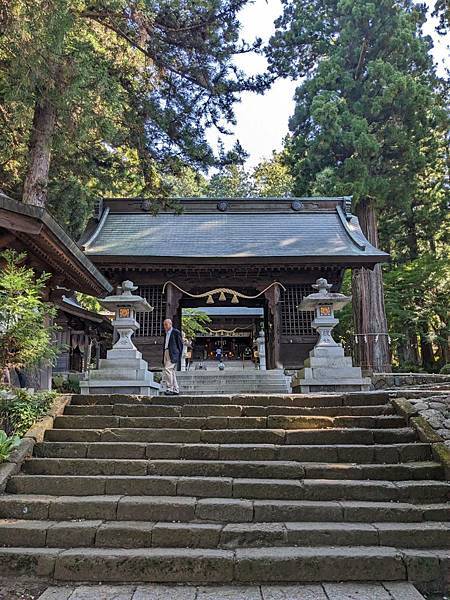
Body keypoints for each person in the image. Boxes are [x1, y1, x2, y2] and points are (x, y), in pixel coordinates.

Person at [162, 318, 183, 396]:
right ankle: (176, 389)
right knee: (172, 372)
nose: (165, 326)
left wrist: (178, 356)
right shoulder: (166, 333)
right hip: (166, 352)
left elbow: (180, 345)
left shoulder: (176, 332)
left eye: (166, 324)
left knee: (168, 369)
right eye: (164, 325)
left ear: (170, 324)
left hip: (173, 353)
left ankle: (169, 388)